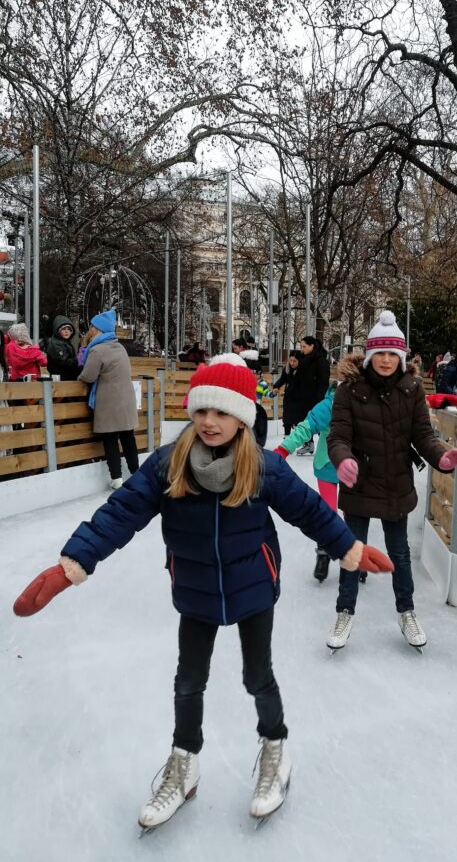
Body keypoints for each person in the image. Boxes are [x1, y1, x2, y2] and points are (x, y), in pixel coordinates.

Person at [13, 354, 393, 830]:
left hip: (253, 585)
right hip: (194, 589)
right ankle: (183, 763)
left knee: (258, 677)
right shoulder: (169, 464)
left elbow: (310, 512)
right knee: (188, 681)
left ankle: (275, 748)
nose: (210, 422)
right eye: (201, 411)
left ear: (242, 417)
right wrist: (72, 563)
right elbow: (119, 513)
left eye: (222, 412)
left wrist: (349, 549)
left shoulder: (263, 468)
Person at [326, 310, 457, 651]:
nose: (387, 360)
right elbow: (338, 436)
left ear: (402, 357)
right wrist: (342, 458)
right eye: (381, 354)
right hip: (359, 482)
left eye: (393, 354)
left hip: (395, 484)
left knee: (400, 554)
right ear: (370, 356)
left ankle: (406, 611)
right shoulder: (349, 390)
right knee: (353, 551)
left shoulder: (412, 388)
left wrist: (442, 457)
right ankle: (345, 611)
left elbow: (423, 435)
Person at [274, 382, 339, 581]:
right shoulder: (329, 405)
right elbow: (306, 427)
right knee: (329, 513)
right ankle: (324, 553)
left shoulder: (366, 402)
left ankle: (355, 554)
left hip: (356, 468)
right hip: (328, 466)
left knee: (356, 513)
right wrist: (283, 450)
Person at [78, 309, 139, 489]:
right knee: (128, 436)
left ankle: (117, 478)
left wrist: (80, 376)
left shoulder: (97, 350)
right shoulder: (119, 347)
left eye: (92, 327)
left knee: (110, 439)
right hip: (126, 399)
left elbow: (88, 376)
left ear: (98, 330)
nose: (90, 330)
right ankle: (136, 472)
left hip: (109, 401)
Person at [294, 336, 329, 455]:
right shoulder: (305, 359)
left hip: (316, 397)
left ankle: (329, 445)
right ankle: (308, 443)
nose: (302, 349)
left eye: (304, 346)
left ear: (312, 346)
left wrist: (320, 399)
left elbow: (323, 381)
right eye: (301, 346)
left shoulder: (321, 360)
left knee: (320, 421)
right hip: (304, 396)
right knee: (305, 420)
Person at [272, 351, 304, 435]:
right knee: (287, 420)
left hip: (299, 399)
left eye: (294, 361)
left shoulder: (303, 371)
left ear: (299, 361)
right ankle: (286, 439)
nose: (292, 363)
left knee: (299, 422)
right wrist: (276, 386)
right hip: (288, 398)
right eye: (290, 360)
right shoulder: (287, 369)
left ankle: (301, 442)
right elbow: (282, 379)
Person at [42, 315, 79, 381]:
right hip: (61, 379)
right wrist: (78, 360)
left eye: (69, 329)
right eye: (64, 329)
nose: (67, 331)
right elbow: (64, 362)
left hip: (65, 377)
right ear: (58, 331)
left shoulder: (65, 342)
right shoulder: (57, 344)